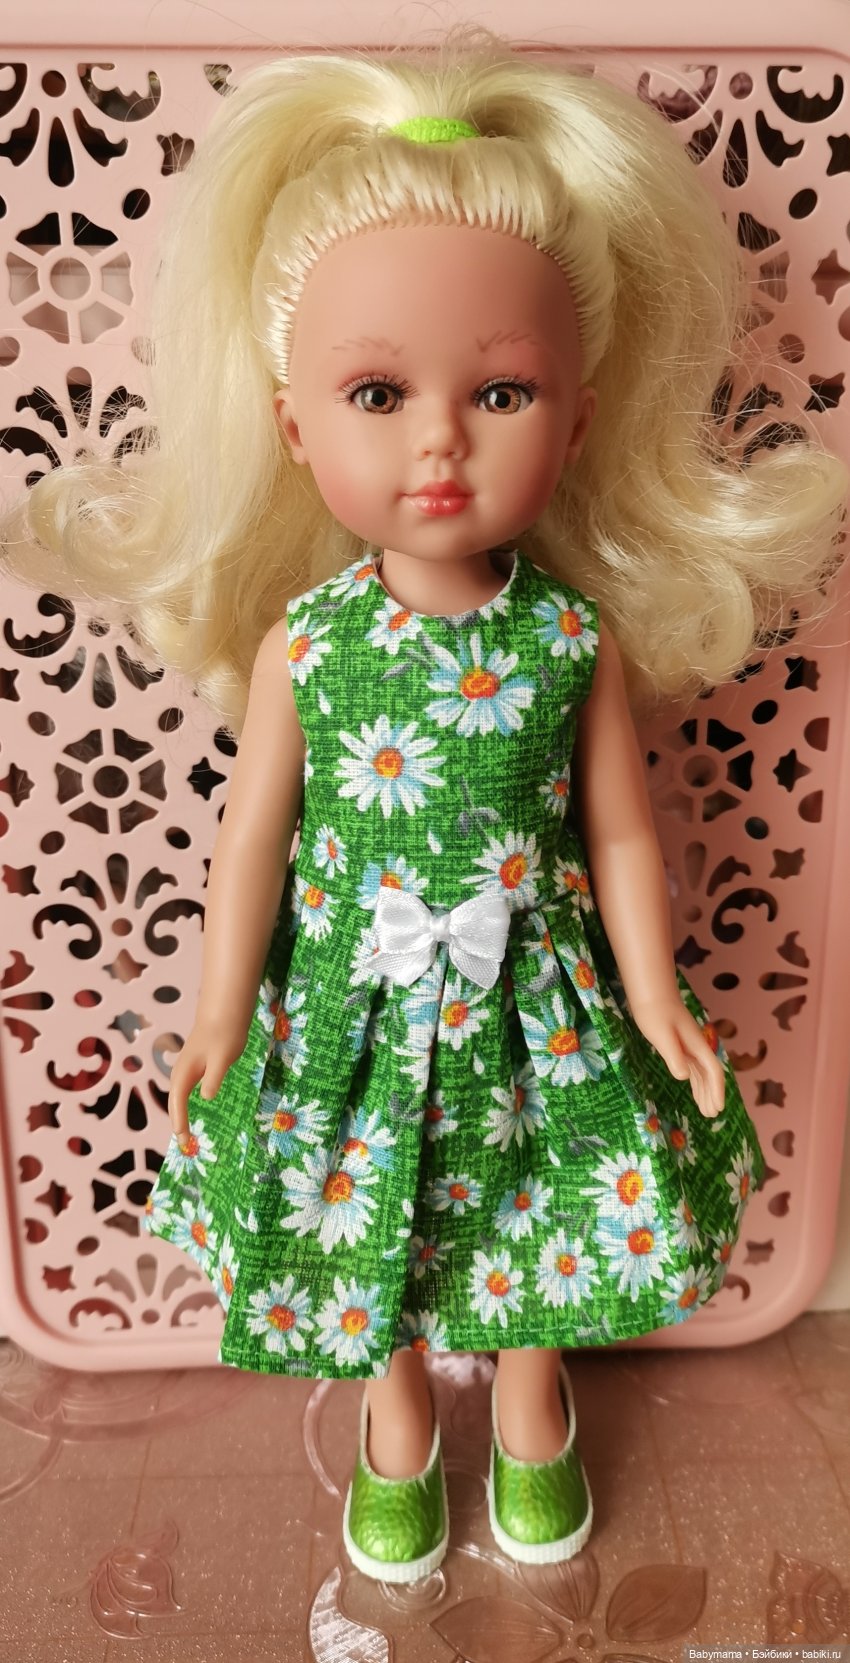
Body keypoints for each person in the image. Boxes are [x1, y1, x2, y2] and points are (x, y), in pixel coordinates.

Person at [2, 30, 846, 1585]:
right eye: (377, 393)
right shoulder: (309, 645)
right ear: (294, 424)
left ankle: (529, 1402)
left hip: (537, 1000)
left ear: (574, 421)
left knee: (537, 1198)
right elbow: (252, 837)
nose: (440, 438)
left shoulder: (566, 640)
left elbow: (616, 833)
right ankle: (395, 1417)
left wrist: (654, 996)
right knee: (353, 1212)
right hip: (350, 999)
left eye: (500, 390)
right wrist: (216, 1012)